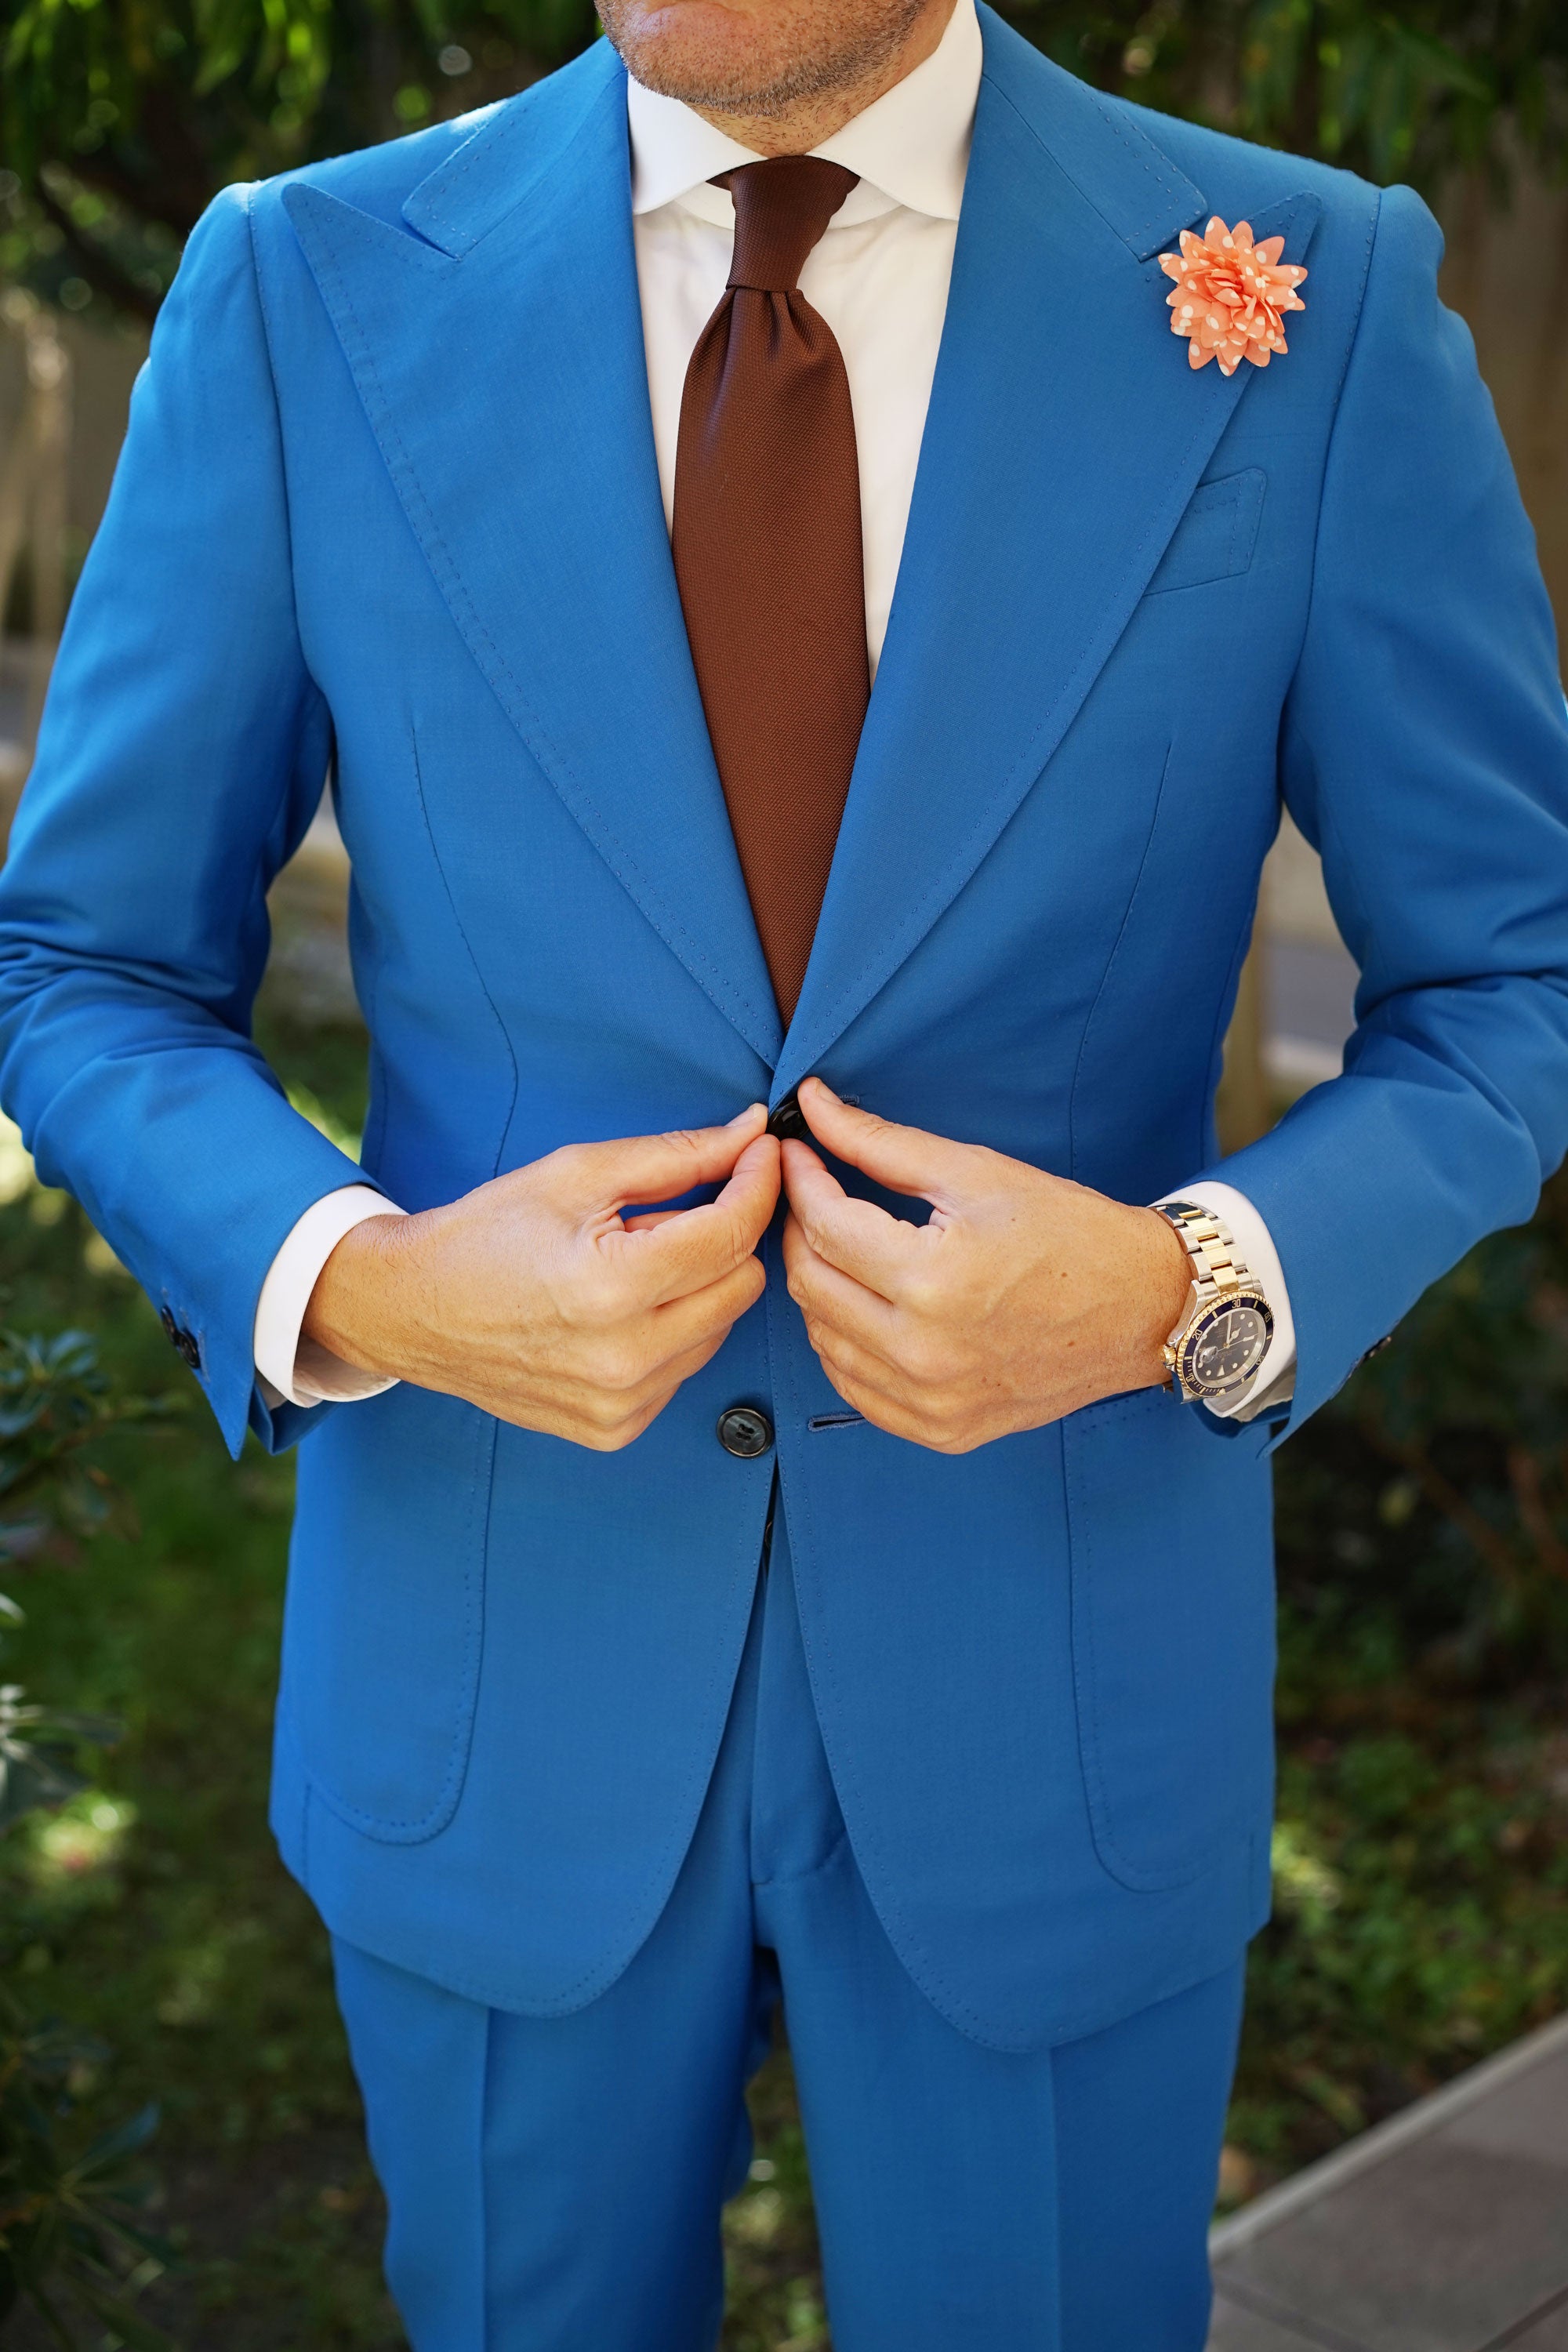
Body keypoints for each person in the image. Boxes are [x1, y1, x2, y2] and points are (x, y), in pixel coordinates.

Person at [3, 0, 1567, 2341]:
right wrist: (369, 1282)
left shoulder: (1312, 298)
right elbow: (86, 961)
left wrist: (1182, 1288)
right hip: (493, 1685)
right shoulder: (299, 283)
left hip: (1061, 1698)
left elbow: (1513, 983)